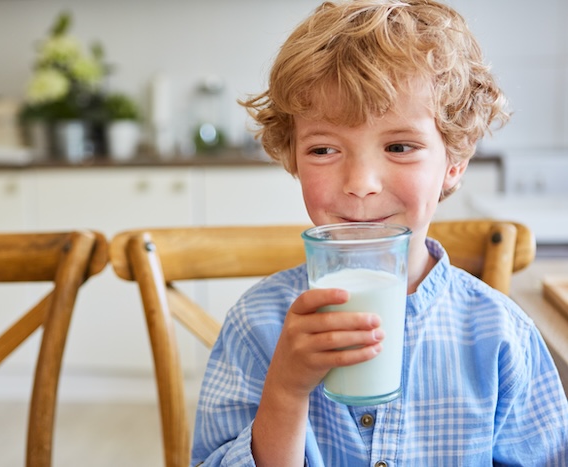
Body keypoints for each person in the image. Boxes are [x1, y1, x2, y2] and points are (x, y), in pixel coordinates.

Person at [191, 1, 568, 465]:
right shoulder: (256, 327)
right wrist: (286, 391)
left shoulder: (501, 337)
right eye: (325, 148)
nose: (361, 183)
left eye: (399, 146)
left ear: (454, 162)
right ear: (292, 156)